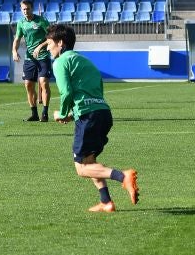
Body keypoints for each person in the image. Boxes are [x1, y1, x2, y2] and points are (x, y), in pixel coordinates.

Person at [46, 23, 139, 214]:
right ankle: (106, 202)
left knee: (81, 168)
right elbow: (95, 91)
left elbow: (66, 92)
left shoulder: (60, 62)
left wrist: (62, 114)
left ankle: (123, 176)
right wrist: (73, 114)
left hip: (89, 117)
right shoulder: (85, 61)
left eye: (49, 44)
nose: (47, 48)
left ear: (60, 43)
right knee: (90, 161)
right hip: (103, 113)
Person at [11, 0, 52, 122]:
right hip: (30, 58)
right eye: (23, 9)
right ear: (21, 9)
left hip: (43, 56)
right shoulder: (21, 23)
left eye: (28, 9)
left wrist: (40, 47)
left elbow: (51, 37)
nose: (26, 11)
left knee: (43, 82)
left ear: (32, 9)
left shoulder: (41, 21)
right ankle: (34, 114)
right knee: (28, 85)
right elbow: (17, 39)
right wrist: (14, 51)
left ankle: (45, 113)